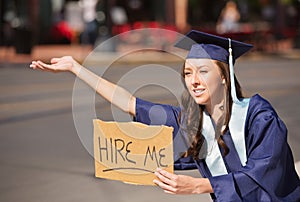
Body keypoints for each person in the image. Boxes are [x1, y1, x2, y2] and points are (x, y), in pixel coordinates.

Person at [30, 30, 300, 201]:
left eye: (203, 71)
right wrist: (76, 68)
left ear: (224, 76)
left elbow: (265, 172)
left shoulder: (258, 116)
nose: (193, 81)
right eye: (187, 73)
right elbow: (130, 103)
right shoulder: (193, 122)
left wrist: (198, 186)